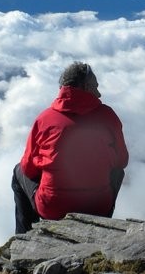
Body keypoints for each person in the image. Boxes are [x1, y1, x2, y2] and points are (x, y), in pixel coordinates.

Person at [12, 61, 129, 233]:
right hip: (98, 207)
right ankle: (101, 226)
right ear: (86, 87)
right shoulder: (108, 116)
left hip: (53, 209)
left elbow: (29, 168)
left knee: (18, 171)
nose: (99, 93)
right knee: (118, 172)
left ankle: (25, 237)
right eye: (95, 87)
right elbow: (122, 161)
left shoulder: (45, 119)